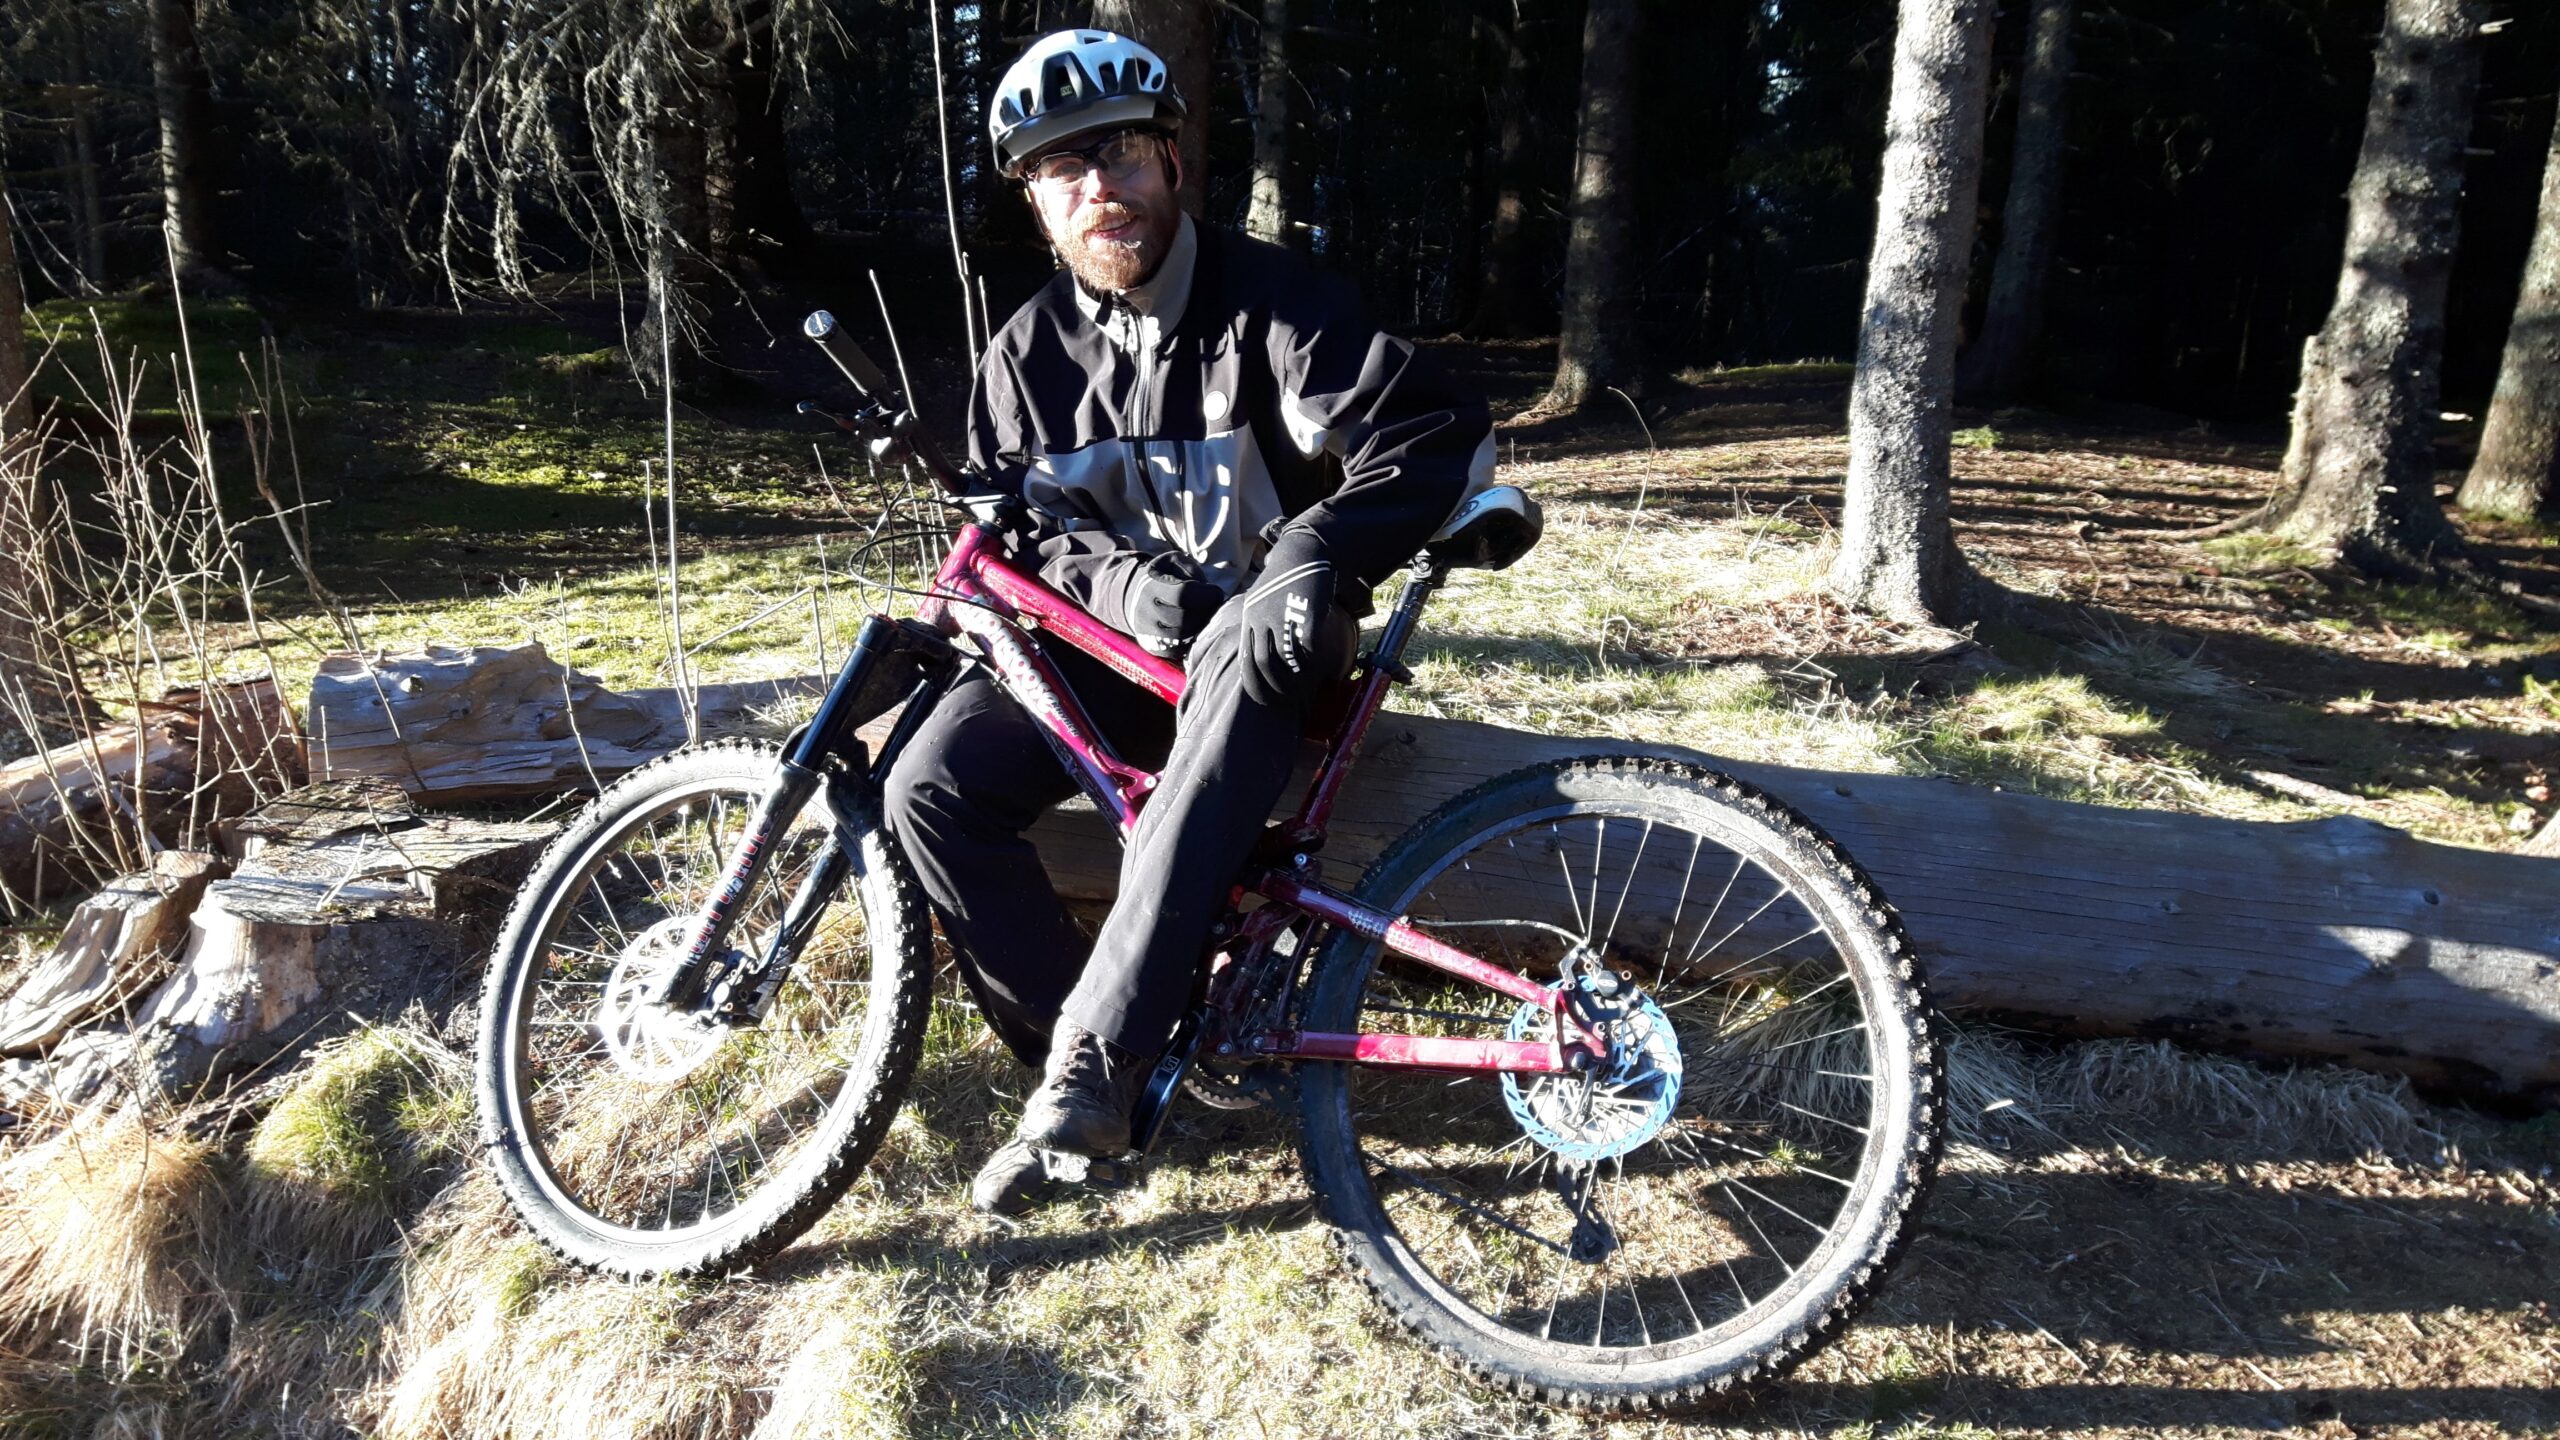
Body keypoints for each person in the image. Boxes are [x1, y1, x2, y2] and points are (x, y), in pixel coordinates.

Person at [880, 29, 1495, 1216]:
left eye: (1118, 152)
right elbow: (1026, 529)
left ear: (1172, 160)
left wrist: (1311, 554)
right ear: (1036, 202)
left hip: (1272, 641)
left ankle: (1094, 1068)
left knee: (1238, 656)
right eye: (1061, 168)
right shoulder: (1024, 355)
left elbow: (1429, 434)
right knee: (928, 785)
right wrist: (1130, 591)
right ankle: (1110, 1064)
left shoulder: (1279, 305)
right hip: (1115, 654)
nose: (1096, 185)